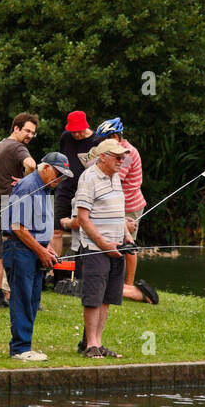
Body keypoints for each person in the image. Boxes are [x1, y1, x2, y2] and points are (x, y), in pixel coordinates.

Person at [2, 152, 71, 361]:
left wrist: (47, 247)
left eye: (64, 177)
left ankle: (24, 345)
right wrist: (41, 251)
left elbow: (36, 225)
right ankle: (20, 349)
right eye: (58, 174)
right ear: (46, 168)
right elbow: (18, 227)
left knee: (32, 299)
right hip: (20, 249)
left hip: (32, 249)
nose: (60, 180)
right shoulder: (28, 186)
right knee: (23, 298)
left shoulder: (44, 187)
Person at [73, 138, 133, 358]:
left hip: (116, 247)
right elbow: (82, 218)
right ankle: (90, 344)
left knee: (107, 297)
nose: (121, 161)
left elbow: (119, 212)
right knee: (93, 297)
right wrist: (103, 244)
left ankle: (98, 342)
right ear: (103, 157)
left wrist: (127, 236)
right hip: (95, 248)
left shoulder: (115, 177)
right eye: (117, 157)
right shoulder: (89, 178)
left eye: (122, 157)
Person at [93, 118, 158, 305]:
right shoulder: (114, 150)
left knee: (129, 244)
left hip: (130, 205)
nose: (101, 143)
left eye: (104, 139)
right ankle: (119, 282)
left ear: (115, 137)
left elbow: (112, 177)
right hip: (117, 204)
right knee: (118, 242)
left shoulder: (126, 153)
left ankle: (128, 285)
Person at [0, 112, 39, 308]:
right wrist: (26, 181)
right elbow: (31, 164)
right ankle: (19, 295)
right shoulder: (18, 147)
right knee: (22, 250)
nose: (30, 135)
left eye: (33, 132)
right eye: (27, 131)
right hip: (14, 205)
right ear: (16, 128)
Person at [52, 110, 97, 259]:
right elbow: (61, 160)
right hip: (65, 189)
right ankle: (54, 265)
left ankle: (82, 264)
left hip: (85, 192)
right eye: (73, 132)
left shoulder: (96, 141)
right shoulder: (65, 137)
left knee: (81, 228)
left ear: (86, 126)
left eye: (79, 131)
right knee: (56, 230)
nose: (76, 134)